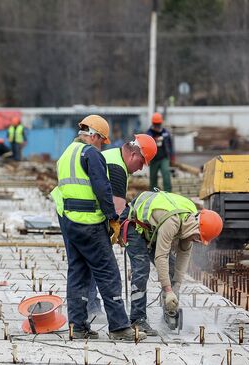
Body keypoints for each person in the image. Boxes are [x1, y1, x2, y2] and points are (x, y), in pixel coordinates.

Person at [50, 114, 146, 341]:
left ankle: (78, 325)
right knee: (108, 273)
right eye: (101, 140)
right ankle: (119, 327)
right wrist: (112, 218)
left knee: (78, 273)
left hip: (69, 221)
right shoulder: (90, 153)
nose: (101, 146)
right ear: (93, 135)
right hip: (90, 223)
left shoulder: (66, 154)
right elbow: (102, 189)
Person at [121, 191, 223, 330]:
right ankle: (137, 319)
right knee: (141, 268)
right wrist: (168, 291)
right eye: (198, 238)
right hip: (133, 222)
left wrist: (176, 286)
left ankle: (169, 311)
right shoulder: (173, 222)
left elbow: (183, 256)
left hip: (152, 228)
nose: (197, 241)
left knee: (172, 267)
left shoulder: (189, 223)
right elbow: (160, 257)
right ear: (196, 227)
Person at [85, 134, 158, 323]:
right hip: (88, 216)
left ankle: (89, 307)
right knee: (101, 265)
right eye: (142, 163)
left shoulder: (112, 156)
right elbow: (117, 208)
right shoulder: (117, 167)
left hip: (78, 213)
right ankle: (92, 308)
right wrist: (126, 229)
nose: (141, 168)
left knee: (88, 263)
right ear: (134, 156)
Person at [146, 112, 174, 192]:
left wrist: (172, 156)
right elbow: (146, 145)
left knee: (166, 176)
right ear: (153, 124)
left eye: (158, 124)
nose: (157, 126)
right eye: (156, 124)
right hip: (154, 159)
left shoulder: (165, 133)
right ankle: (153, 195)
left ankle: (168, 193)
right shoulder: (149, 133)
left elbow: (170, 144)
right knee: (153, 179)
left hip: (163, 158)